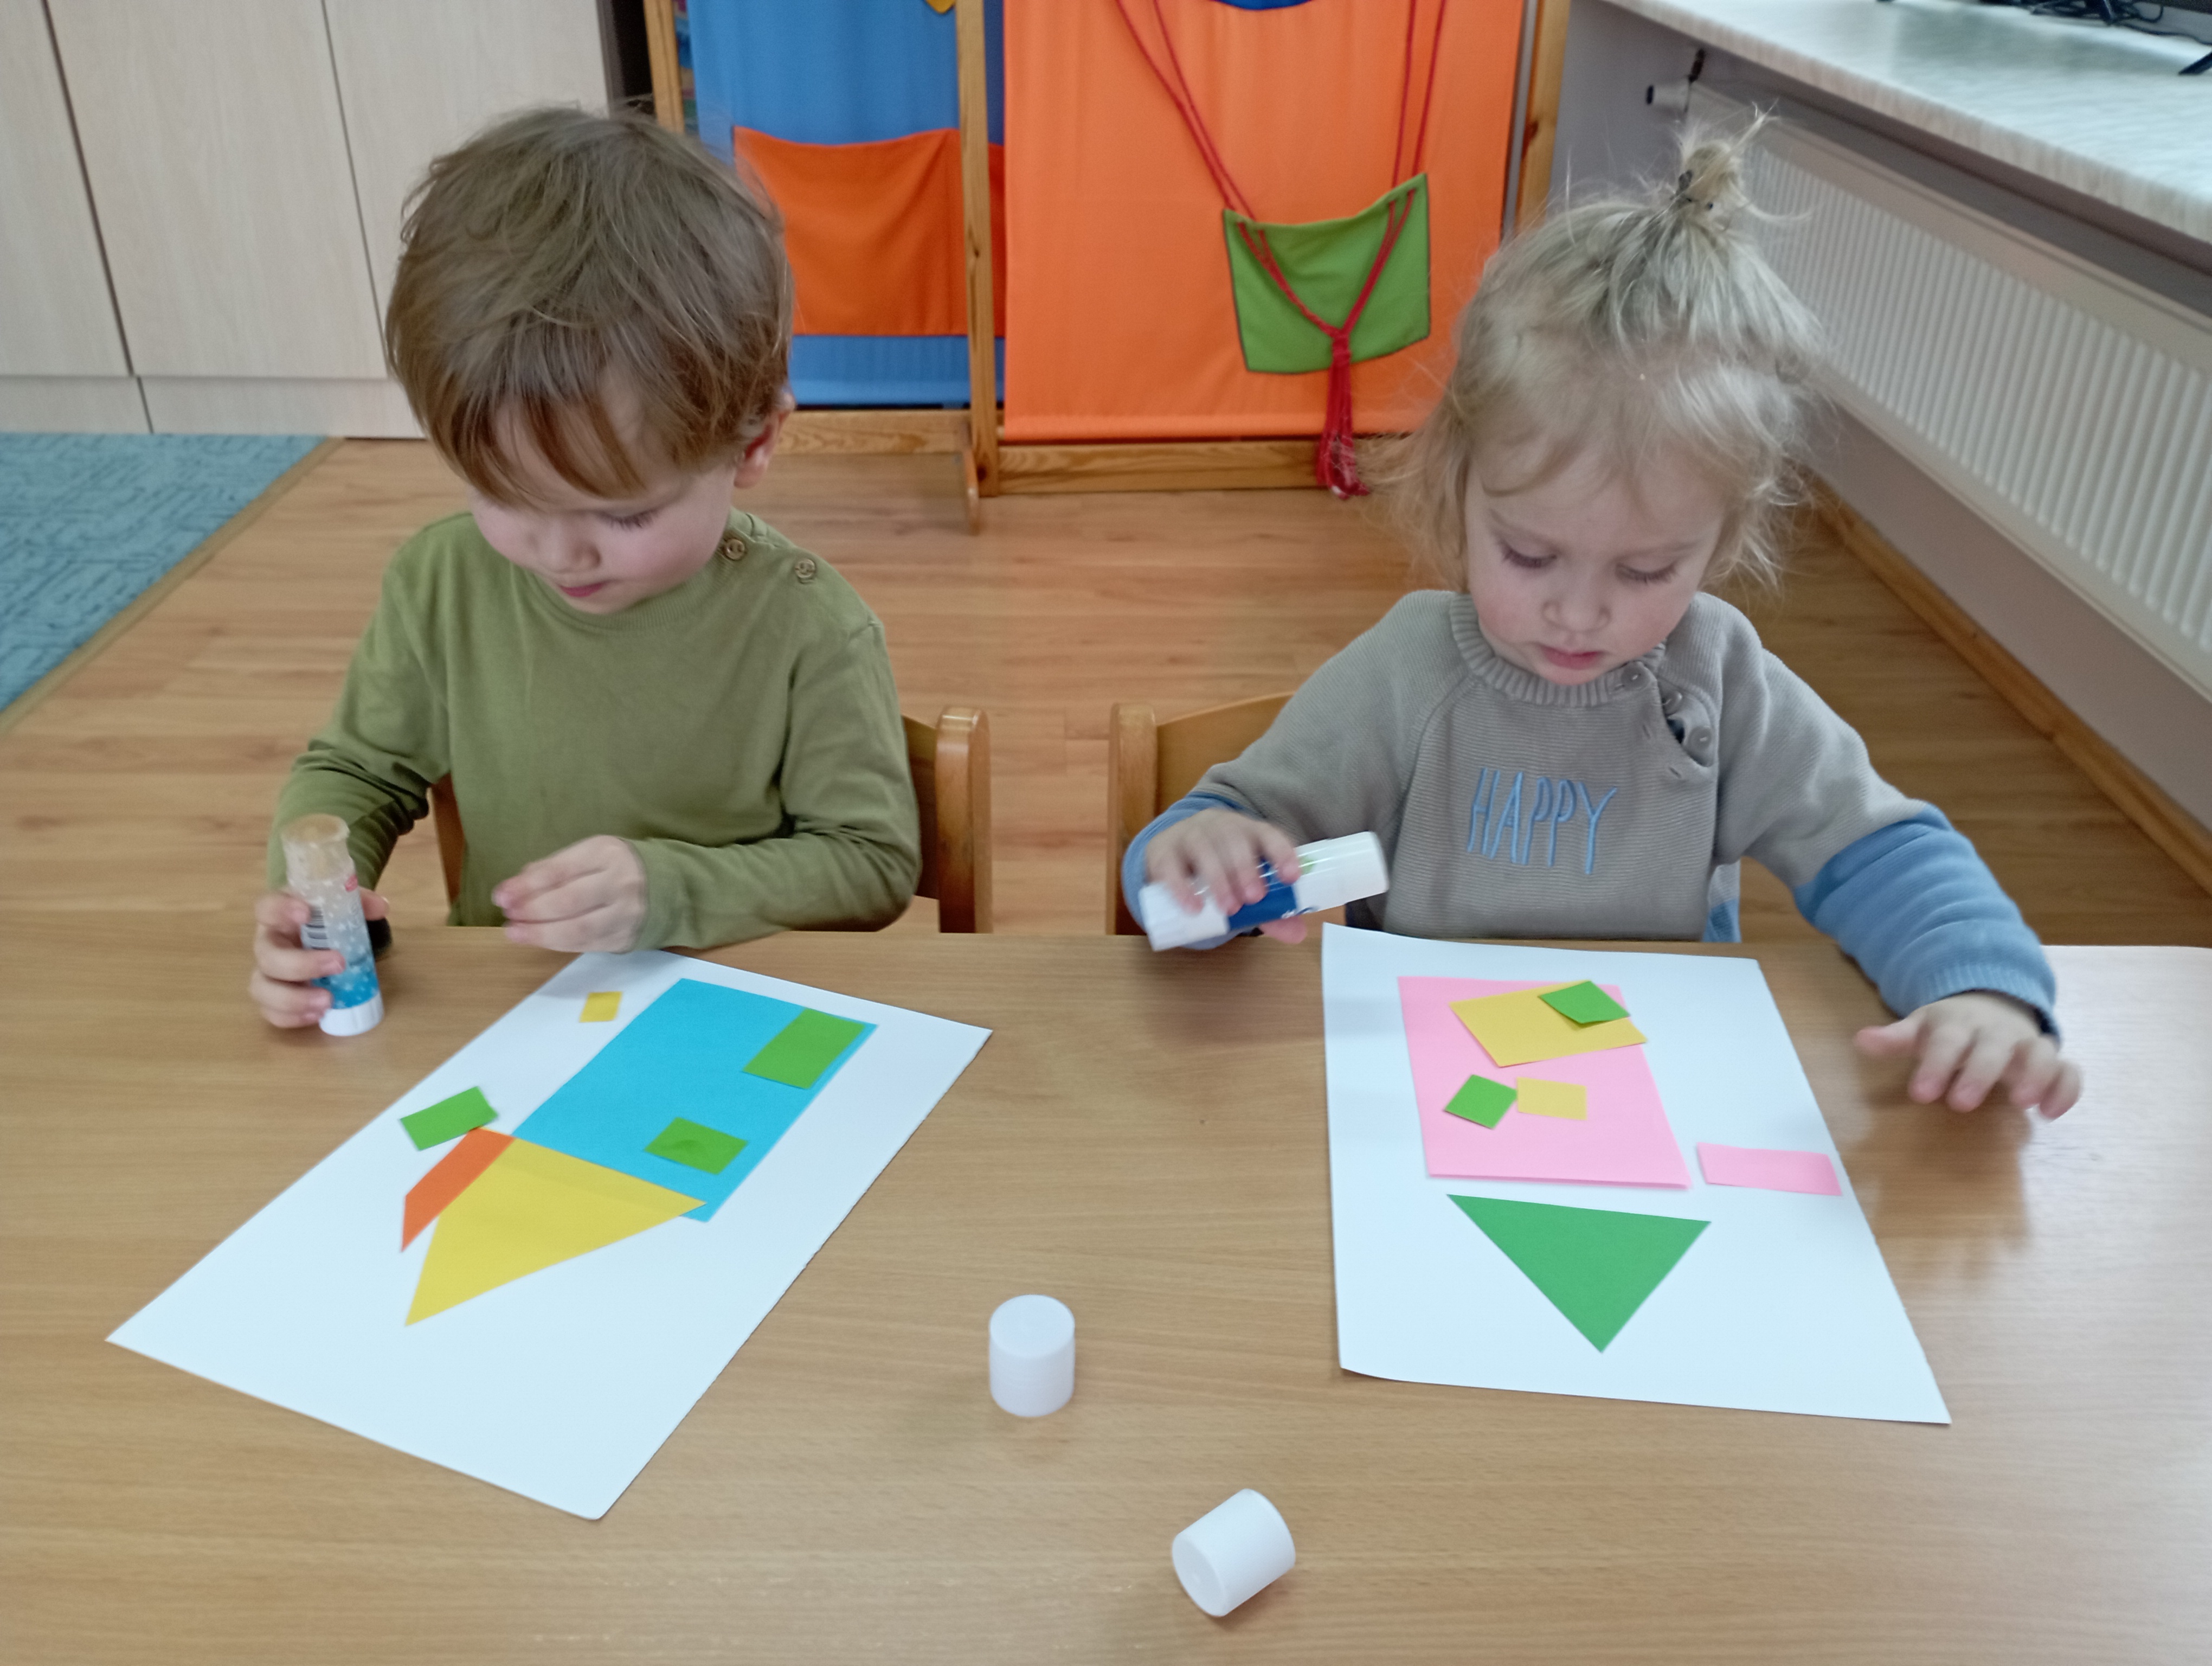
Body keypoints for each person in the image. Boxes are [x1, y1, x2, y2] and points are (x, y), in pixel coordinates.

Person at [1127, 128, 2081, 1118]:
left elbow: (1882, 854)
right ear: (1459, 491)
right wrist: (1203, 858)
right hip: (1425, 1095)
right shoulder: (1407, 673)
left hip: (1652, 1092)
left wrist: (1985, 991)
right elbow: (1212, 836)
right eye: (1530, 555)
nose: (1579, 613)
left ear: (1721, 540)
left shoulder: (1720, 679)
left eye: (1645, 569)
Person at [249, 108, 919, 1028]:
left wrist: (669, 890)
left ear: (754, 443)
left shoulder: (811, 628)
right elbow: (357, 773)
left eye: (624, 513)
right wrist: (312, 902)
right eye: (505, 497)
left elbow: (871, 865)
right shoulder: (440, 585)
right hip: (512, 1019)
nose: (562, 553)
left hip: (726, 1019)